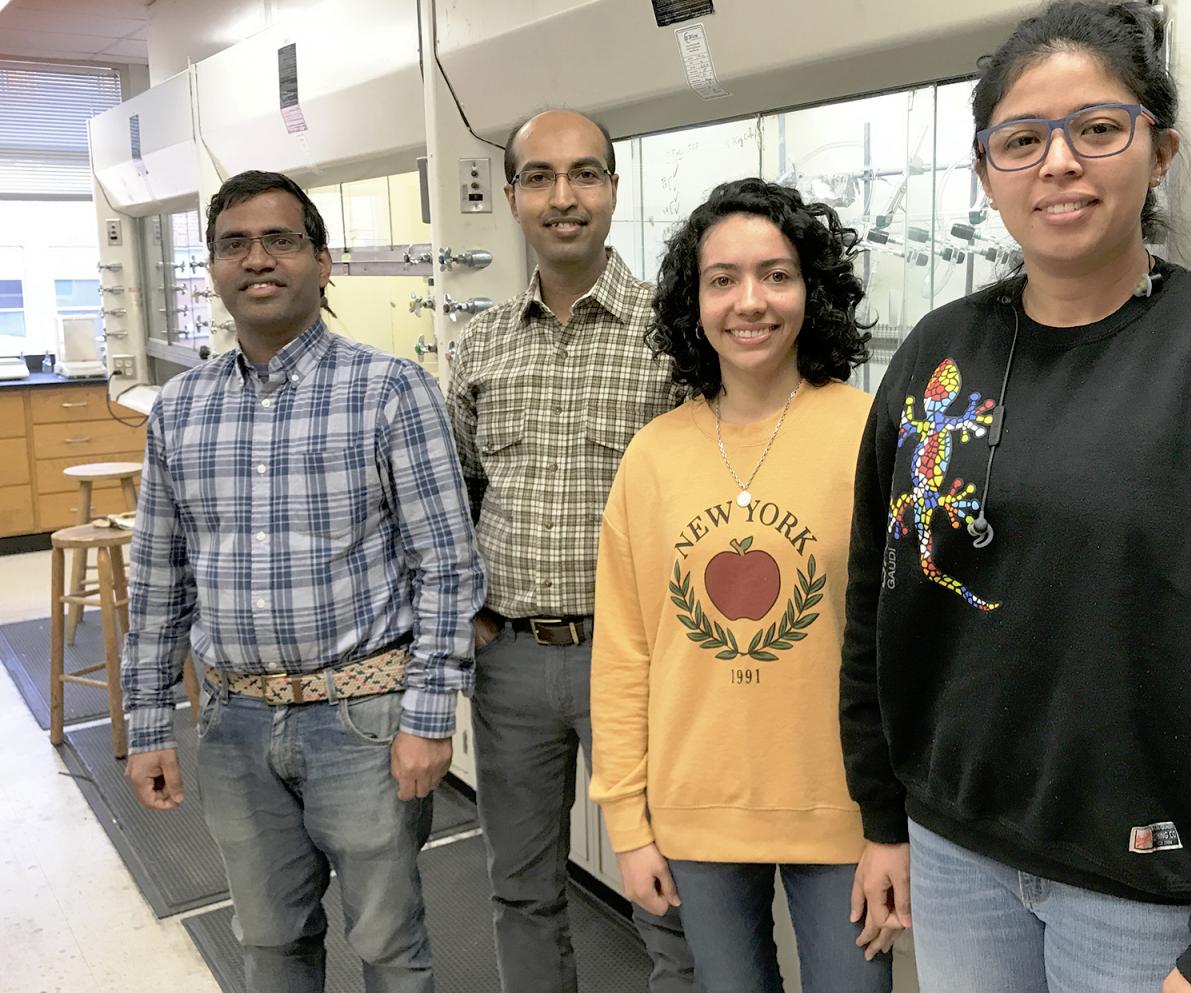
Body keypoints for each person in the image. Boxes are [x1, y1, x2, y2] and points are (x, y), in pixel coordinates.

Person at [840, 4, 1191, 993]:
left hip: (1147, 891)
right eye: (1021, 140)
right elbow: (879, 595)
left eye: (1097, 128)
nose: (1059, 163)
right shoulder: (937, 355)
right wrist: (881, 814)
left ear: (1159, 151)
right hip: (956, 850)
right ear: (987, 172)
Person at [121, 170, 483, 993]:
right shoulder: (180, 409)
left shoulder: (389, 390)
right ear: (213, 268)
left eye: (280, 240)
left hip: (362, 720)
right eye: (234, 244)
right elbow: (159, 581)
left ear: (322, 262)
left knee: (389, 945)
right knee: (269, 942)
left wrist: (429, 717)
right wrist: (148, 725)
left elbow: (448, 566)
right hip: (234, 724)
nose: (257, 259)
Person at [588, 177, 898, 993]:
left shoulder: (871, 433)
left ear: (812, 291)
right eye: (722, 279)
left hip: (844, 809)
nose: (749, 301)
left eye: (777, 274)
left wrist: (896, 824)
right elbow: (624, 655)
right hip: (697, 808)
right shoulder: (654, 455)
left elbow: (907, 646)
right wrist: (627, 823)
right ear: (694, 302)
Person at [446, 109, 695, 993]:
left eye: (585, 174)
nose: (564, 197)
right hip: (511, 661)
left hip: (640, 664)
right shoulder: (479, 344)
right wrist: (473, 618)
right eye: (540, 177)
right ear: (512, 195)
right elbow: (460, 490)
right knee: (521, 890)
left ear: (614, 190)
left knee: (671, 897)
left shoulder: (674, 334)